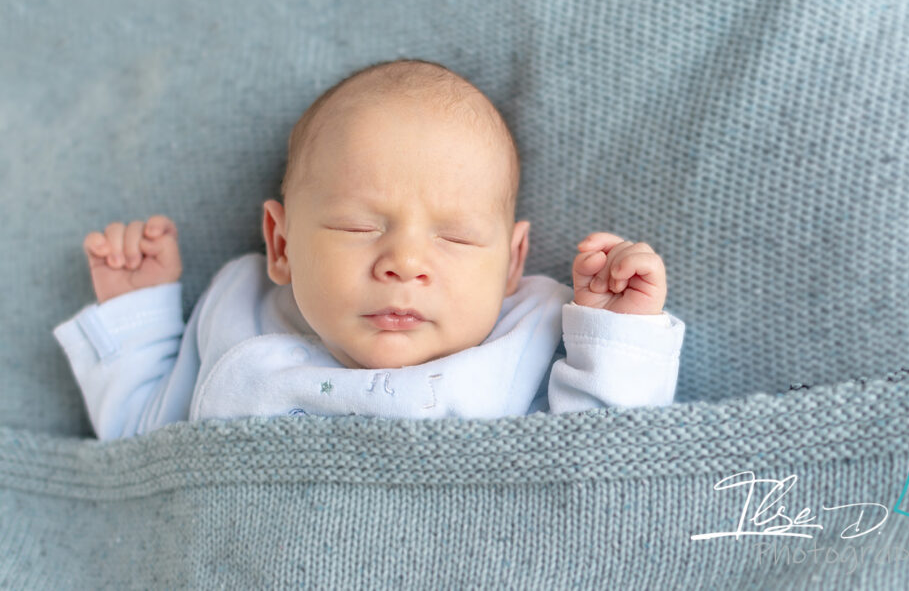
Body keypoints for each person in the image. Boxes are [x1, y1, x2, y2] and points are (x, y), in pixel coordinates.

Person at [53, 59, 686, 440]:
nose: (404, 263)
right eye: (358, 226)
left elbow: (599, 457)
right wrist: (139, 321)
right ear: (281, 244)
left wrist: (616, 335)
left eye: (457, 235)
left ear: (512, 264)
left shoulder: (529, 333)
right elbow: (145, 446)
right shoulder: (240, 314)